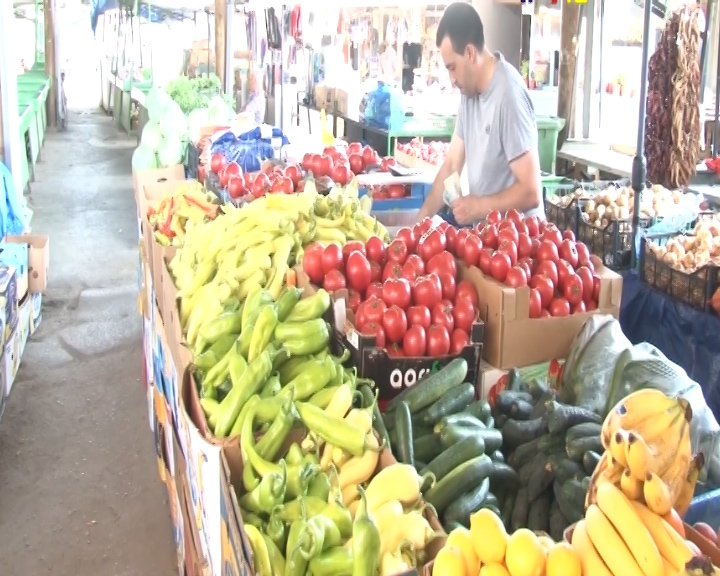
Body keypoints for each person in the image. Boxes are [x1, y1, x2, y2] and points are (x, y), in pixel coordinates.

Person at [417, 3, 543, 225]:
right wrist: (418, 224)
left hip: (522, 244)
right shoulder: (469, 93)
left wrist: (479, 207)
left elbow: (531, 192)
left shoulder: (509, 96)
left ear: (470, 53)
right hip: (489, 241)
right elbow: (452, 165)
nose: (451, 79)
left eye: (452, 67)